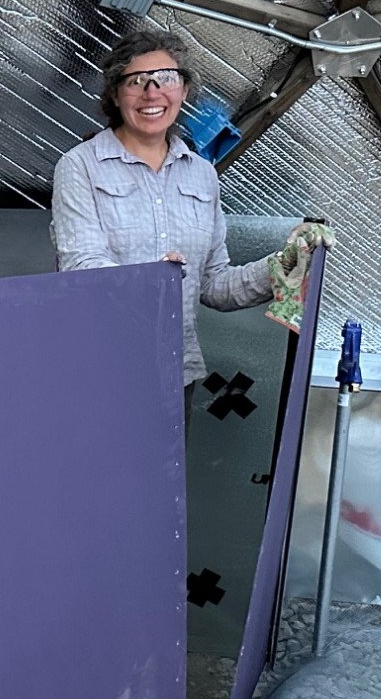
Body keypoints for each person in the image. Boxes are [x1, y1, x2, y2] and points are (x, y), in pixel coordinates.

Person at [50, 30, 295, 419]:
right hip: (98, 372)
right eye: (136, 81)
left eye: (166, 78)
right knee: (97, 480)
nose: (152, 93)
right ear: (114, 94)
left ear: (183, 90)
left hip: (173, 374)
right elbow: (80, 269)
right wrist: (149, 279)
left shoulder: (202, 175)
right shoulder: (80, 166)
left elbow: (214, 284)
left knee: (162, 480)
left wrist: (283, 268)